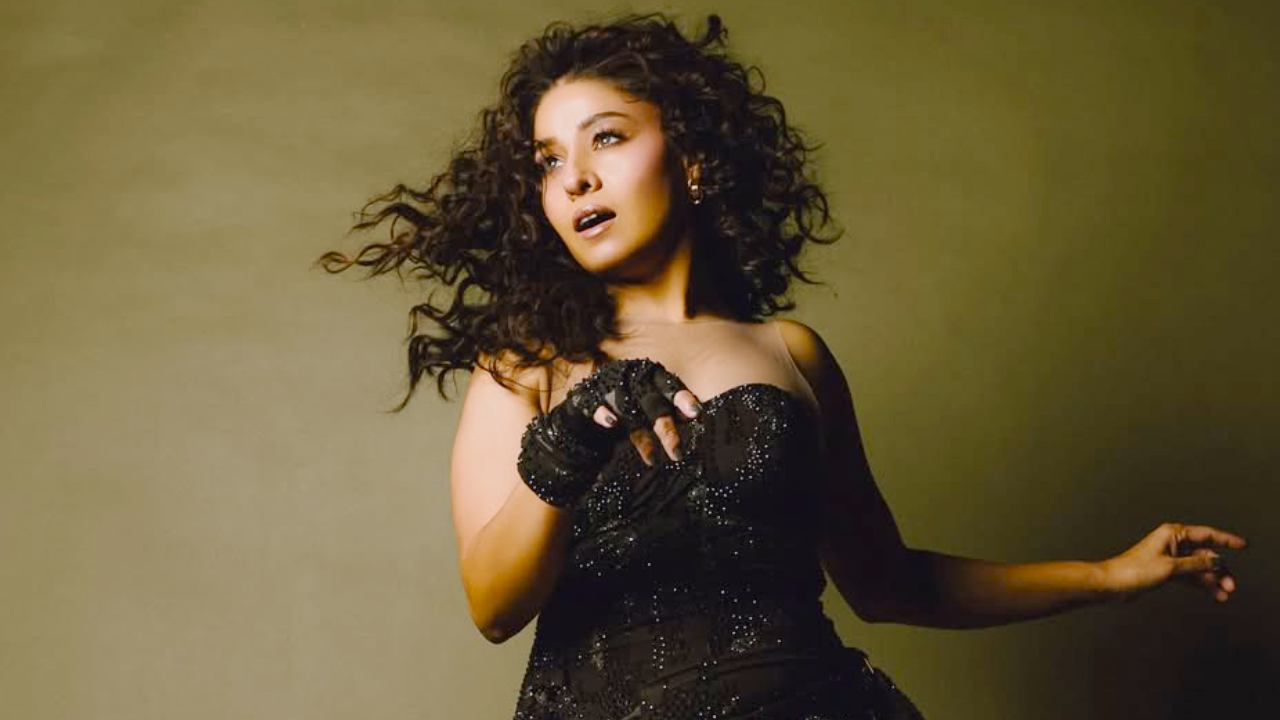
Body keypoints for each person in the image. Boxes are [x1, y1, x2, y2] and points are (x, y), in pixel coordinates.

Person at [316, 12, 1248, 719]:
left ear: (692, 160)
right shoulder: (525, 366)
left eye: (607, 137)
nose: (576, 179)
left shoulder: (787, 352)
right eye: (548, 160)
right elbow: (492, 606)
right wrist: (576, 433)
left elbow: (889, 585)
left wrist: (1109, 575)